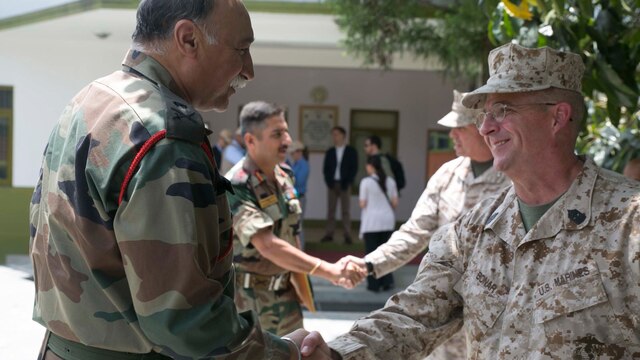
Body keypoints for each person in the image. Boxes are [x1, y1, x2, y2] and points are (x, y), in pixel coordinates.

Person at [28, 1, 328, 359]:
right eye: (242, 49)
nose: (248, 71)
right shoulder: (165, 136)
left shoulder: (92, 100)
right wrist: (287, 354)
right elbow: (185, 323)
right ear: (188, 39)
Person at [309, 43, 640, 358]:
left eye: (502, 110)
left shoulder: (628, 222)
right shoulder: (470, 232)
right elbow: (413, 316)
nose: (485, 127)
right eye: (485, 113)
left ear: (557, 117)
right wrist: (335, 353)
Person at [344, 89, 510, 359]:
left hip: (496, 322)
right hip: (444, 318)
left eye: (460, 128)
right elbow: (416, 231)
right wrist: (370, 264)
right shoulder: (447, 174)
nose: (451, 135)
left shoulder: (513, 177)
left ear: (482, 128)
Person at [226, 101, 365, 337]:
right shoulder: (237, 184)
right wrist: (328, 270)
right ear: (250, 140)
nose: (287, 141)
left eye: (287, 132)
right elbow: (268, 245)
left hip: (287, 295)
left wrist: (302, 285)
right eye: (277, 134)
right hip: (249, 304)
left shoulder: (285, 175)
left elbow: (290, 234)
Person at [359, 155, 398, 293]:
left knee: (371, 254)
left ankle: (374, 284)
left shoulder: (366, 182)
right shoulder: (391, 181)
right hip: (387, 221)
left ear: (370, 166)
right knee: (386, 252)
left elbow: (362, 203)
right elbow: (394, 203)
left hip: (372, 222)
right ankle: (387, 282)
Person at [322, 126, 358, 244]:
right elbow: (326, 169)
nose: (334, 137)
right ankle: (329, 234)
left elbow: (354, 168)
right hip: (332, 184)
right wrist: (329, 182)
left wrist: (348, 182)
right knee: (331, 210)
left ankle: (347, 234)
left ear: (343, 135)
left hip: (345, 184)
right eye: (333, 134)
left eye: (336, 134)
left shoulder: (350, 151)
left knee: (345, 210)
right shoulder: (330, 151)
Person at [288, 140, 310, 249]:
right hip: (294, 197)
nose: (292, 155)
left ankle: (301, 249)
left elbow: (298, 181)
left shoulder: (303, 164)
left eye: (293, 153)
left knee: (298, 224)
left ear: (299, 152)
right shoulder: (295, 164)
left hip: (299, 197)